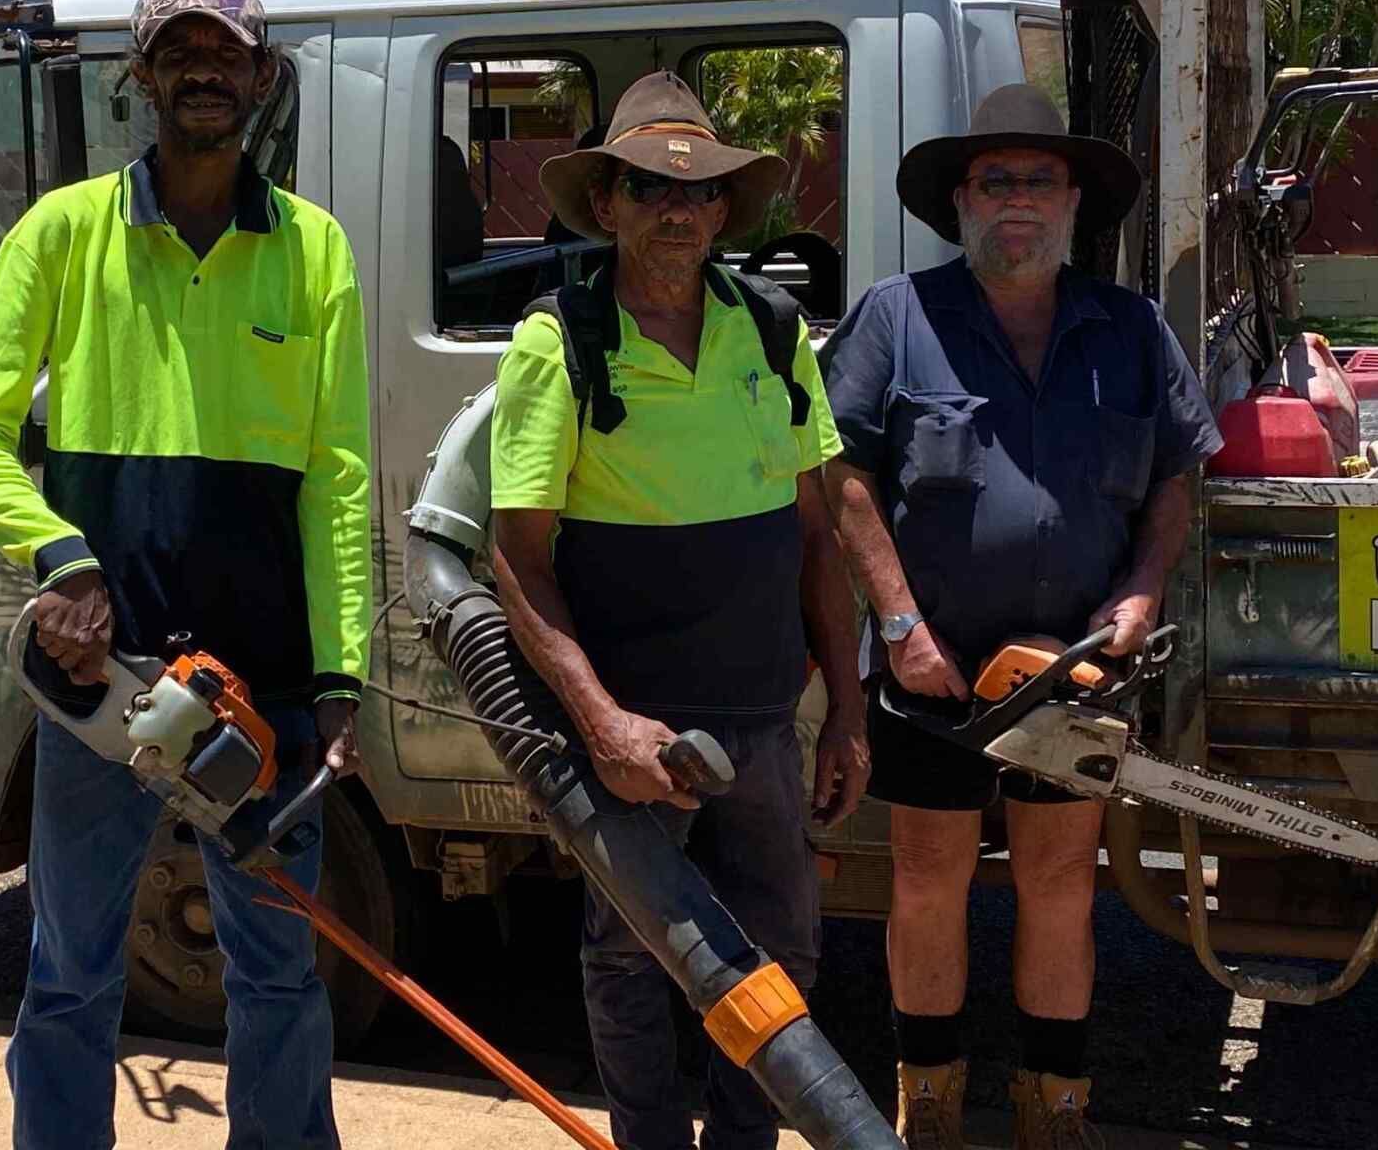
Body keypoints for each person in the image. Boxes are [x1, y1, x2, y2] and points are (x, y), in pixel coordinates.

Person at [0, 0, 373, 1150]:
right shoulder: (62, 233)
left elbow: (337, 483)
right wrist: (60, 558)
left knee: (278, 977)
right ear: (143, 77)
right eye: (179, 51)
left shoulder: (314, 251)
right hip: (104, 691)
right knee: (72, 973)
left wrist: (341, 681)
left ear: (262, 78)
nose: (205, 70)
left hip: (264, 695)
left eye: (227, 52)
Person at [818, 85, 1221, 1150]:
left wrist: (1140, 592)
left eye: (1037, 180)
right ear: (960, 200)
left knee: (1056, 882)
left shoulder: (1129, 329)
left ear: (1074, 199)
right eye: (994, 180)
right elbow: (842, 475)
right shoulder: (898, 317)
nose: (1017, 202)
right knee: (928, 879)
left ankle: (1056, 1109)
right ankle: (933, 1101)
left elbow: (1177, 479)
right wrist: (900, 625)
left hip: (1075, 673)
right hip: (934, 678)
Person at [489, 70, 871, 1150]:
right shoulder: (558, 341)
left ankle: (741, 1141)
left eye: (698, 193)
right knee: (630, 955)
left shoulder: (773, 329)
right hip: (637, 739)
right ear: (606, 205)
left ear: (722, 212)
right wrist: (602, 725)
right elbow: (516, 561)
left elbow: (815, 536)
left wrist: (845, 707)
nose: (676, 212)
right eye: (650, 190)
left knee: (782, 952)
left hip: (759, 720)